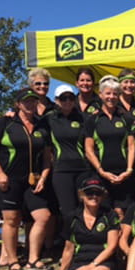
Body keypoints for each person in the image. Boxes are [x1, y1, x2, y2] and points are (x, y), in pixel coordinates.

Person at [0, 88, 53, 270]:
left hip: (33, 180)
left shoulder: (41, 125)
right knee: (12, 220)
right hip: (9, 179)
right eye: (26, 101)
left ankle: (33, 259)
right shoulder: (5, 123)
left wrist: (44, 177)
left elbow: (47, 156)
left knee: (43, 216)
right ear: (18, 104)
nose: (30, 104)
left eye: (33, 101)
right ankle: (13, 261)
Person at [46, 178, 119, 270]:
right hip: (79, 261)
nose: (93, 196)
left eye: (97, 193)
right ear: (81, 195)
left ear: (102, 196)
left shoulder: (110, 215)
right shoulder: (72, 218)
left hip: (104, 262)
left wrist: (92, 265)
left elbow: (112, 246)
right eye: (89, 193)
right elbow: (68, 249)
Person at [84, 75, 135, 220]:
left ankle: (122, 242)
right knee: (103, 211)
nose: (111, 97)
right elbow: (88, 149)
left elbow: (131, 146)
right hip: (100, 174)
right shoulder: (92, 119)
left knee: (121, 213)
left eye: (115, 94)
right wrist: (101, 171)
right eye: (108, 93)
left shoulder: (126, 118)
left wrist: (129, 170)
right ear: (100, 95)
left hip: (123, 174)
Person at [41, 85, 89, 230]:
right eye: (63, 98)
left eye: (70, 97)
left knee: (86, 207)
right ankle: (71, 244)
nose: (67, 101)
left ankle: (86, 243)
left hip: (83, 169)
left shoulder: (83, 118)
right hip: (61, 170)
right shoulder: (49, 119)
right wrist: (10, 114)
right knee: (68, 211)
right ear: (56, 100)